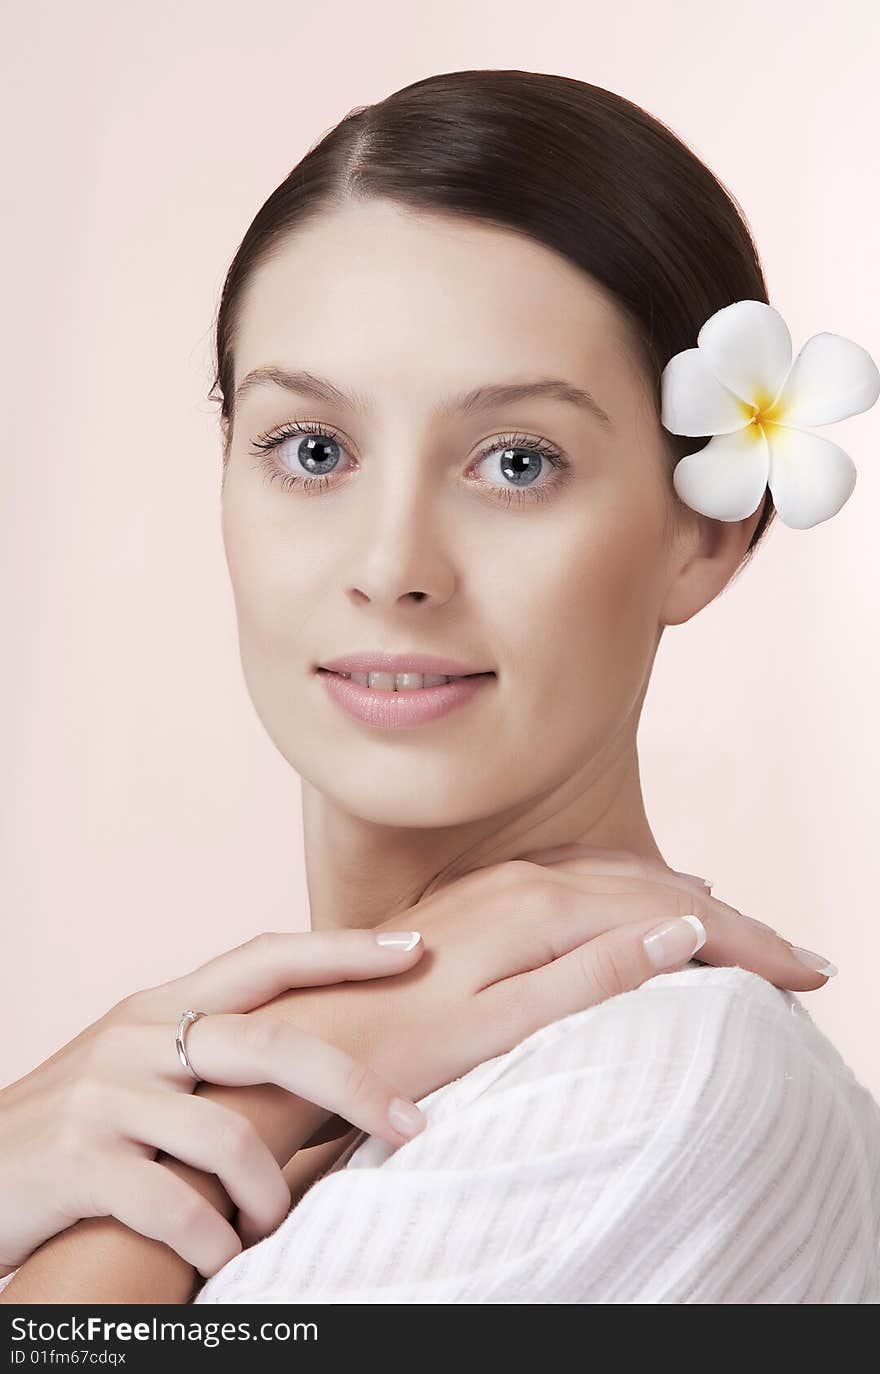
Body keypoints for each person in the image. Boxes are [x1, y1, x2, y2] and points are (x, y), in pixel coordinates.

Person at [2, 68, 879, 1306]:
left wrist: (247, 1096)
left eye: (516, 461)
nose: (389, 568)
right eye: (312, 450)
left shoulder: (660, 1085)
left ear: (709, 534)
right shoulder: (227, 1104)